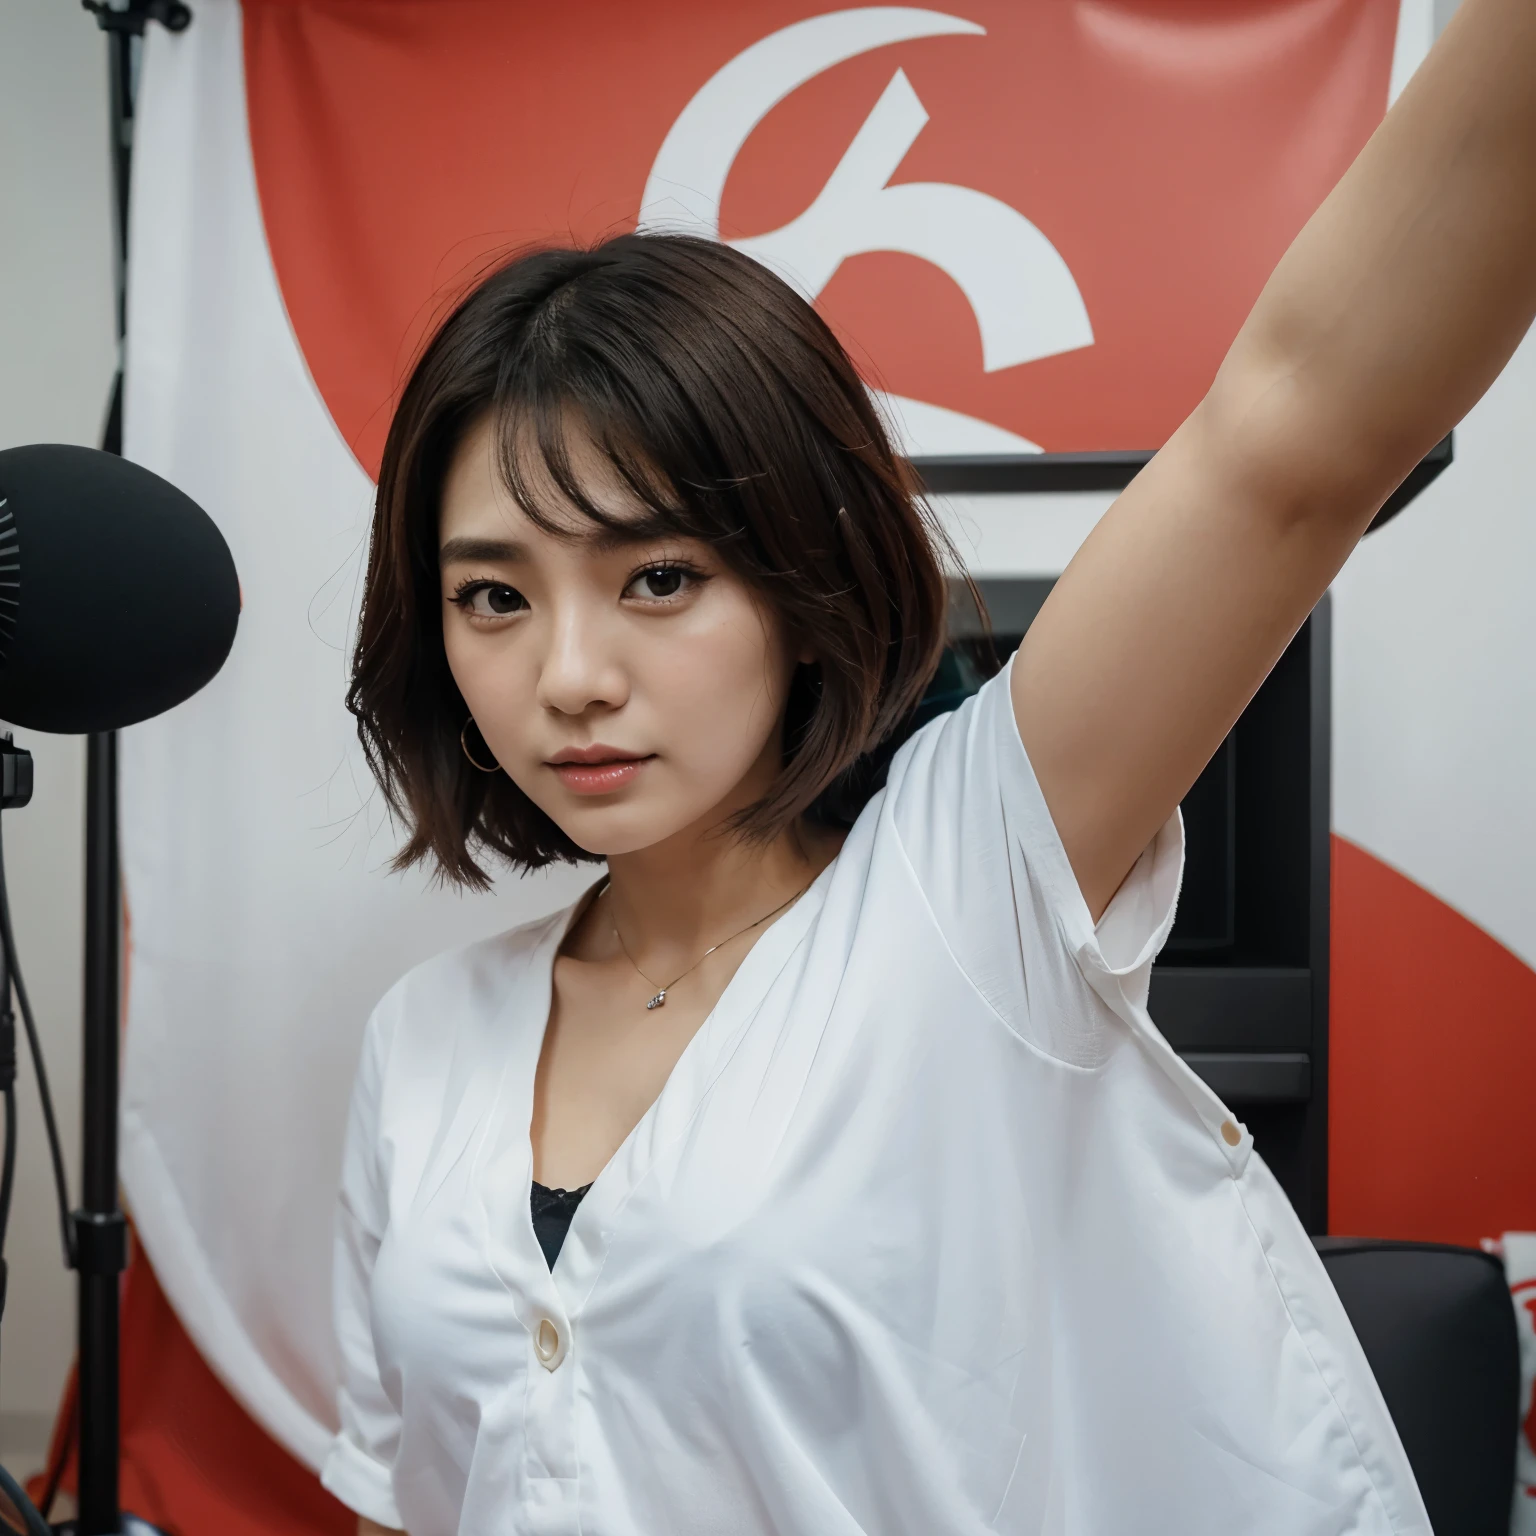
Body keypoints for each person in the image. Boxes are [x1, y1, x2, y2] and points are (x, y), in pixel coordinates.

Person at [323, 1, 1536, 1530]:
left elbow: (1293, 434)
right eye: (493, 596)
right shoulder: (424, 1041)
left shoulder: (968, 897)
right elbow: (411, 1499)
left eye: (657, 579)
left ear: (795, 580)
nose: (568, 676)